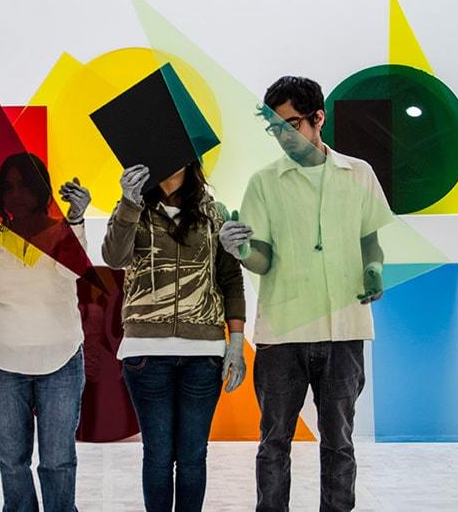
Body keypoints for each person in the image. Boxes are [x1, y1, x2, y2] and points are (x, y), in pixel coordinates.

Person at [233, 76, 395, 512]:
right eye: (274, 128)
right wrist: (243, 250)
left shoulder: (358, 174)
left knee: (339, 441)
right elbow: (262, 259)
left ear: (317, 118)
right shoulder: (264, 182)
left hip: (344, 329)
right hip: (282, 333)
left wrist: (374, 269)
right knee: (274, 441)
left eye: (290, 125)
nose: (282, 137)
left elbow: (370, 241)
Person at [0, 152, 92, 512]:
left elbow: (73, 272)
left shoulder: (61, 232)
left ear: (41, 190)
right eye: (9, 187)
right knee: (12, 462)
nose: (17, 194)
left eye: (25, 186)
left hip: (60, 361)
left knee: (58, 461)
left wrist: (76, 220)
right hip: (2, 363)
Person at [101, 160, 247, 512]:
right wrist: (129, 203)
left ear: (189, 160)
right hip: (145, 352)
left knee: (193, 455)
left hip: (204, 352)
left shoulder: (214, 213)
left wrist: (237, 343)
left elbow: (230, 279)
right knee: (158, 454)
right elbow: (114, 257)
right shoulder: (132, 207)